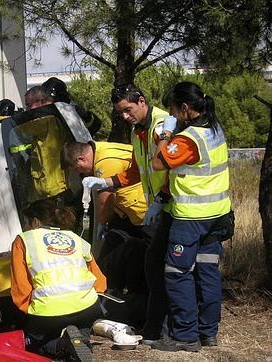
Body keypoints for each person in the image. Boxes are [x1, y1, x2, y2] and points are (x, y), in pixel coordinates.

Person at [81, 83, 171, 343]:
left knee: (164, 271)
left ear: (142, 101)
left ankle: (164, 328)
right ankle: (155, 326)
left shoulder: (162, 126)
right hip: (157, 208)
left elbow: (171, 167)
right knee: (153, 268)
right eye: (120, 112)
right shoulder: (138, 131)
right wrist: (106, 183)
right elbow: (134, 171)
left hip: (169, 207)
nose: (124, 116)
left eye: (128, 110)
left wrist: (161, 197)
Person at [148, 81, 233, 352]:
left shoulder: (189, 138)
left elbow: (159, 162)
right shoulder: (215, 128)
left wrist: (164, 135)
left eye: (173, 110)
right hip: (218, 213)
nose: (171, 115)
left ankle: (185, 336)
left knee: (177, 272)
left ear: (185, 109)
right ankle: (209, 333)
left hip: (191, 217)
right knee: (208, 270)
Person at [11, 199, 107, 360]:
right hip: (87, 306)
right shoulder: (75, 238)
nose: (25, 227)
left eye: (26, 222)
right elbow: (100, 281)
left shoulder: (24, 240)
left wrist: (29, 312)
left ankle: (61, 345)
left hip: (49, 310)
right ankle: (79, 340)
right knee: (80, 330)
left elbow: (21, 287)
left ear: (35, 221)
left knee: (36, 342)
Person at [62, 141, 147, 238]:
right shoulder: (100, 148)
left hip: (143, 213)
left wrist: (101, 224)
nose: (79, 173)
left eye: (77, 169)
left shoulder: (104, 164)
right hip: (127, 213)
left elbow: (106, 203)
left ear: (81, 159)